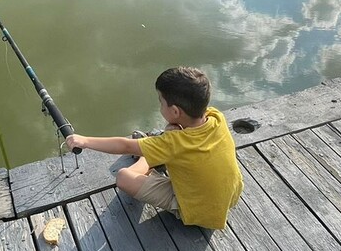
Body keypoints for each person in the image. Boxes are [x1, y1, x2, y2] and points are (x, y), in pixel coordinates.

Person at [64, 67, 243, 229]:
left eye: (161, 102)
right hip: (230, 196)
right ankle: (151, 152)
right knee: (167, 143)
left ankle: (148, 158)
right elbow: (183, 143)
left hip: (198, 210)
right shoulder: (216, 117)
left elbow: (125, 146)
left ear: (175, 112)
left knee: (123, 177)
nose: (159, 106)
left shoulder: (173, 143)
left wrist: (85, 140)